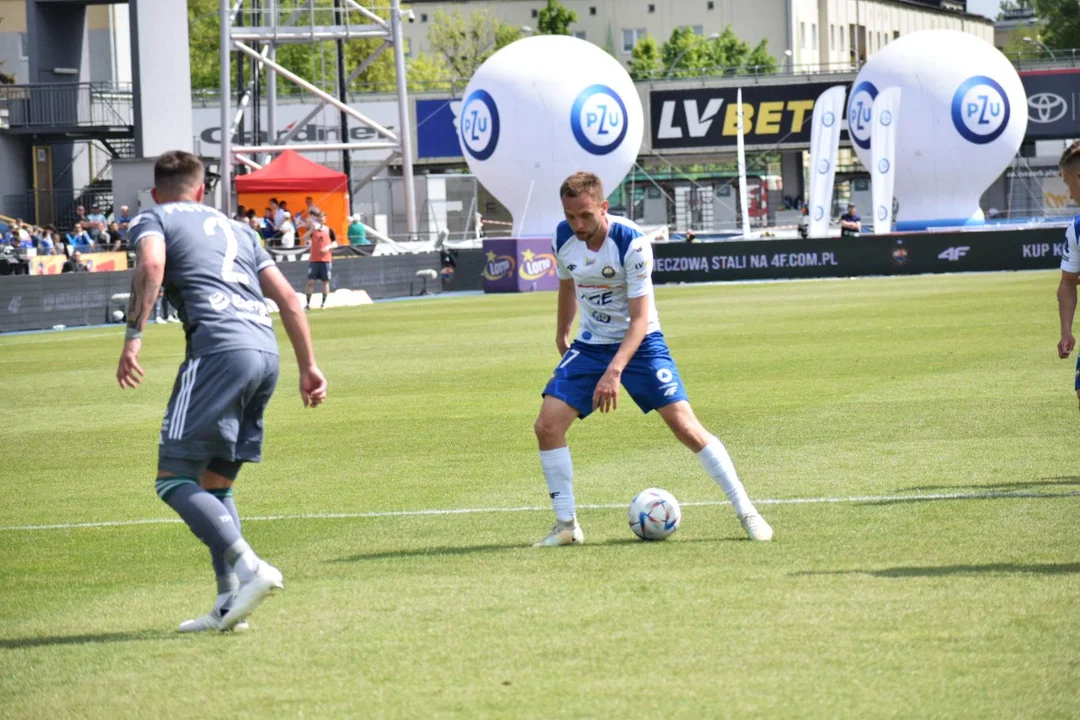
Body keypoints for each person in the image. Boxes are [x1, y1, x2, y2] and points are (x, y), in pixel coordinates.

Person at [116, 150, 327, 633]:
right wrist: (310, 367)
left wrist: (133, 337)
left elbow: (151, 267)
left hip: (217, 351)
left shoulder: (154, 216)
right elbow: (291, 300)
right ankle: (229, 603)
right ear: (202, 190)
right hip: (265, 353)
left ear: (156, 191)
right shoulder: (243, 229)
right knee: (216, 483)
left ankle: (252, 568)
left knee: (172, 479)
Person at [531, 171, 773, 547]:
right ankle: (566, 526)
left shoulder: (631, 243)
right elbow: (567, 283)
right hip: (592, 343)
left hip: (640, 341)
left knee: (686, 427)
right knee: (547, 426)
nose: (577, 224)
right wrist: (562, 333)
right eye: (570, 216)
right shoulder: (562, 237)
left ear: (603, 207)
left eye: (585, 215)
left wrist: (615, 372)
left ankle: (747, 511)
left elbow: (640, 320)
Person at [1053, 141, 1080, 408]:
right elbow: (1068, 282)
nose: (1070, 194)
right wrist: (1066, 332)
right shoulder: (1077, 229)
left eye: (1068, 183)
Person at [305, 210, 338, 310]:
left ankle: (324, 303)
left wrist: (328, 247)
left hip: (326, 260)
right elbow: (305, 237)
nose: (321, 220)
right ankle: (308, 304)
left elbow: (335, 243)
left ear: (325, 219)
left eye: (323, 218)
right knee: (310, 282)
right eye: (319, 218)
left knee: (325, 282)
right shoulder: (313, 230)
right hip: (314, 260)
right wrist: (311, 229)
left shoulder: (329, 230)